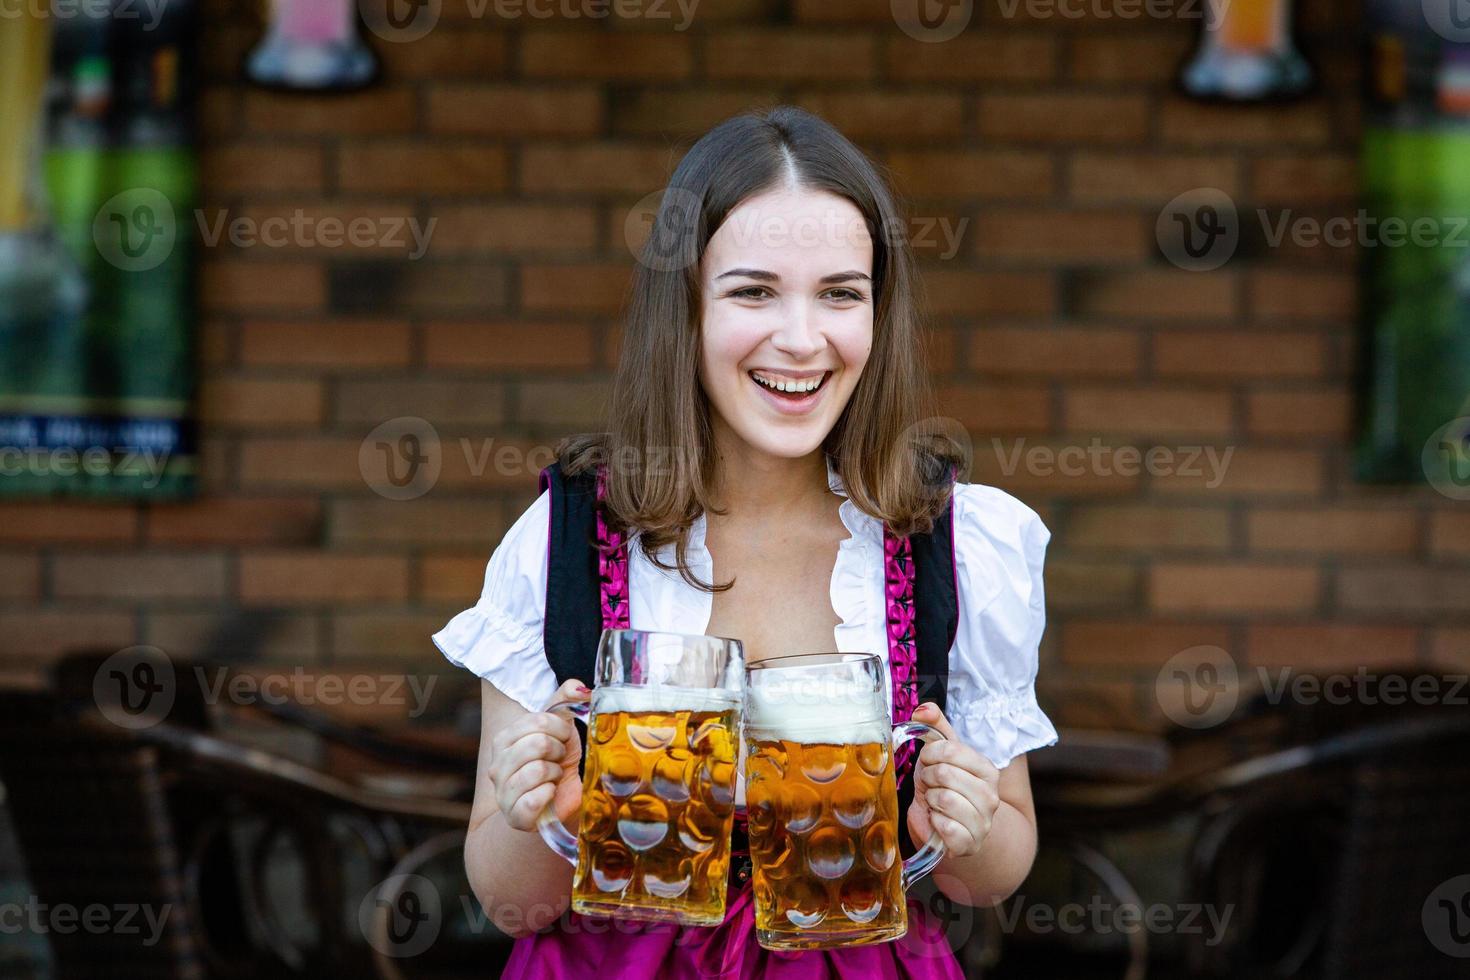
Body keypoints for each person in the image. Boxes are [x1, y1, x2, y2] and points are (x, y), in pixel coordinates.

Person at [432, 105, 1058, 977]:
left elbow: (991, 877)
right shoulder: (570, 536)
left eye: (841, 292)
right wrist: (535, 808)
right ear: (683, 305)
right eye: (753, 291)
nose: (802, 339)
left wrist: (962, 827)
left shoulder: (953, 539)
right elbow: (512, 903)